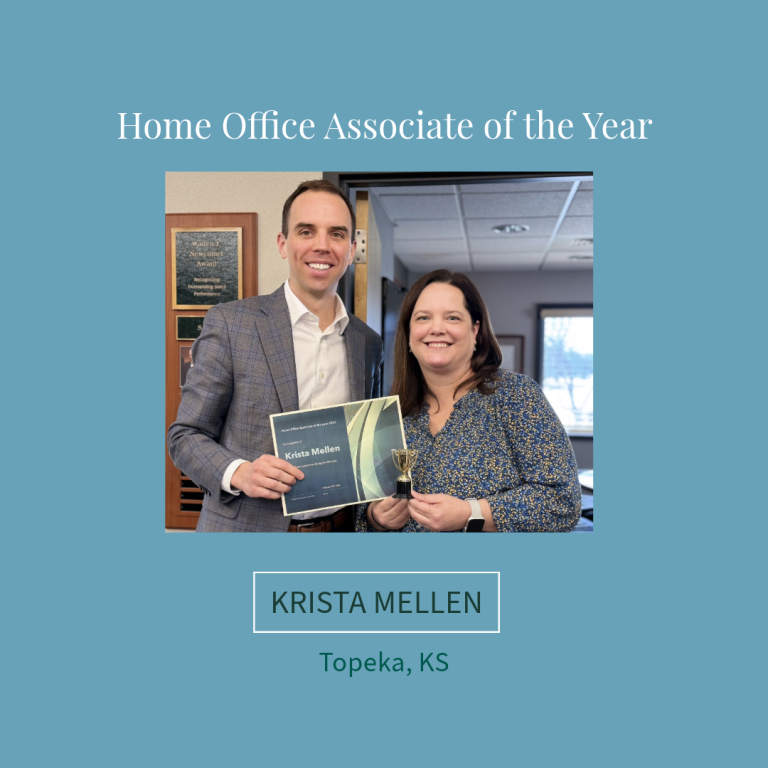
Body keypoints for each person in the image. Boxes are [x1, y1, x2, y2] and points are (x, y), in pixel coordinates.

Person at [169, 180, 383, 532]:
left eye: (336, 234)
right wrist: (240, 472)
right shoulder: (231, 324)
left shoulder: (368, 343)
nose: (322, 245)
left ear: (351, 249)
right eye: (306, 231)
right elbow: (185, 436)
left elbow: (364, 450)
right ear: (283, 244)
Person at [356, 270, 580, 533]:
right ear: (408, 333)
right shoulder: (387, 415)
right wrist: (376, 517)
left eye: (452, 317)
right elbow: (362, 510)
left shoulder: (517, 395)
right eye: (423, 317)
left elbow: (563, 501)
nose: (436, 328)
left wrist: (470, 513)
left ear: (475, 330)